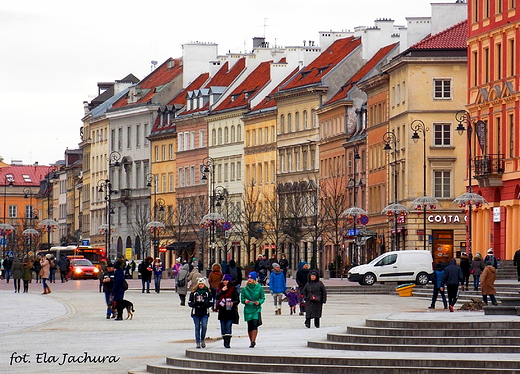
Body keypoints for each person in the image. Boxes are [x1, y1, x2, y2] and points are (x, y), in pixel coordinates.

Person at [241, 271, 265, 348]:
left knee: (255, 324)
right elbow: (242, 299)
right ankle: (251, 340)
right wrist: (245, 301)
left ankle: (253, 341)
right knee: (249, 325)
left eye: (251, 278)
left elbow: (262, 298)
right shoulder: (245, 289)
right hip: (248, 309)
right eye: (249, 278)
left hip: (256, 308)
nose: (249, 279)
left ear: (254, 279)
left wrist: (259, 302)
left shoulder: (259, 288)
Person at [215, 274, 240, 348]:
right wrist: (222, 291)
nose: (225, 282)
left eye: (227, 280)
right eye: (224, 280)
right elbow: (216, 297)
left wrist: (233, 303)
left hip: (230, 311)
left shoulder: (233, 288)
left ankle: (227, 342)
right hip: (222, 310)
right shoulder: (220, 287)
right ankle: (224, 339)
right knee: (223, 327)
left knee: (228, 326)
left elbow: (237, 300)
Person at [188, 277, 213, 348]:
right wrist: (196, 303)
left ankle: (202, 339)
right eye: (199, 284)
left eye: (202, 284)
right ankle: (197, 342)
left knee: (204, 326)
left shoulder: (207, 293)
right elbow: (190, 303)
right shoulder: (194, 293)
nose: (201, 285)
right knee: (197, 327)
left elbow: (211, 303)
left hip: (204, 312)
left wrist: (205, 303)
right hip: (196, 312)